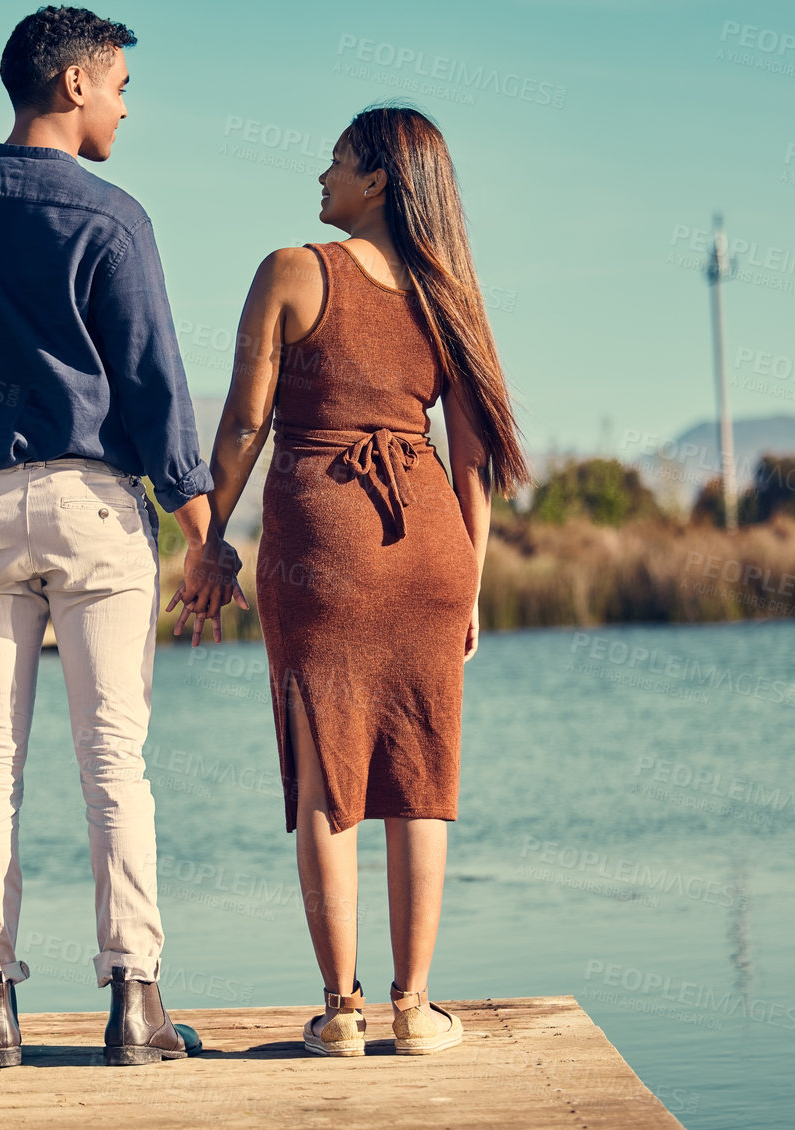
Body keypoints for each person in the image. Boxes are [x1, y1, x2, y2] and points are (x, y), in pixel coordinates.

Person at [0, 6, 237, 1068]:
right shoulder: (113, 219)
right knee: (113, 760)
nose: (127, 104)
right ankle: (136, 1002)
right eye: (120, 83)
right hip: (92, 505)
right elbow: (156, 388)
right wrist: (204, 528)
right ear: (74, 84)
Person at [176, 105, 529, 1058]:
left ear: (377, 178)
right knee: (421, 774)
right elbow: (475, 465)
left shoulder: (294, 270)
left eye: (333, 162)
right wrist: (471, 586)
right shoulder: (447, 292)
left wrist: (209, 543)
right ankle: (416, 1011)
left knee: (324, 773)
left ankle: (341, 1010)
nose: (319, 179)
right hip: (431, 546)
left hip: (321, 543)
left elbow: (245, 427)